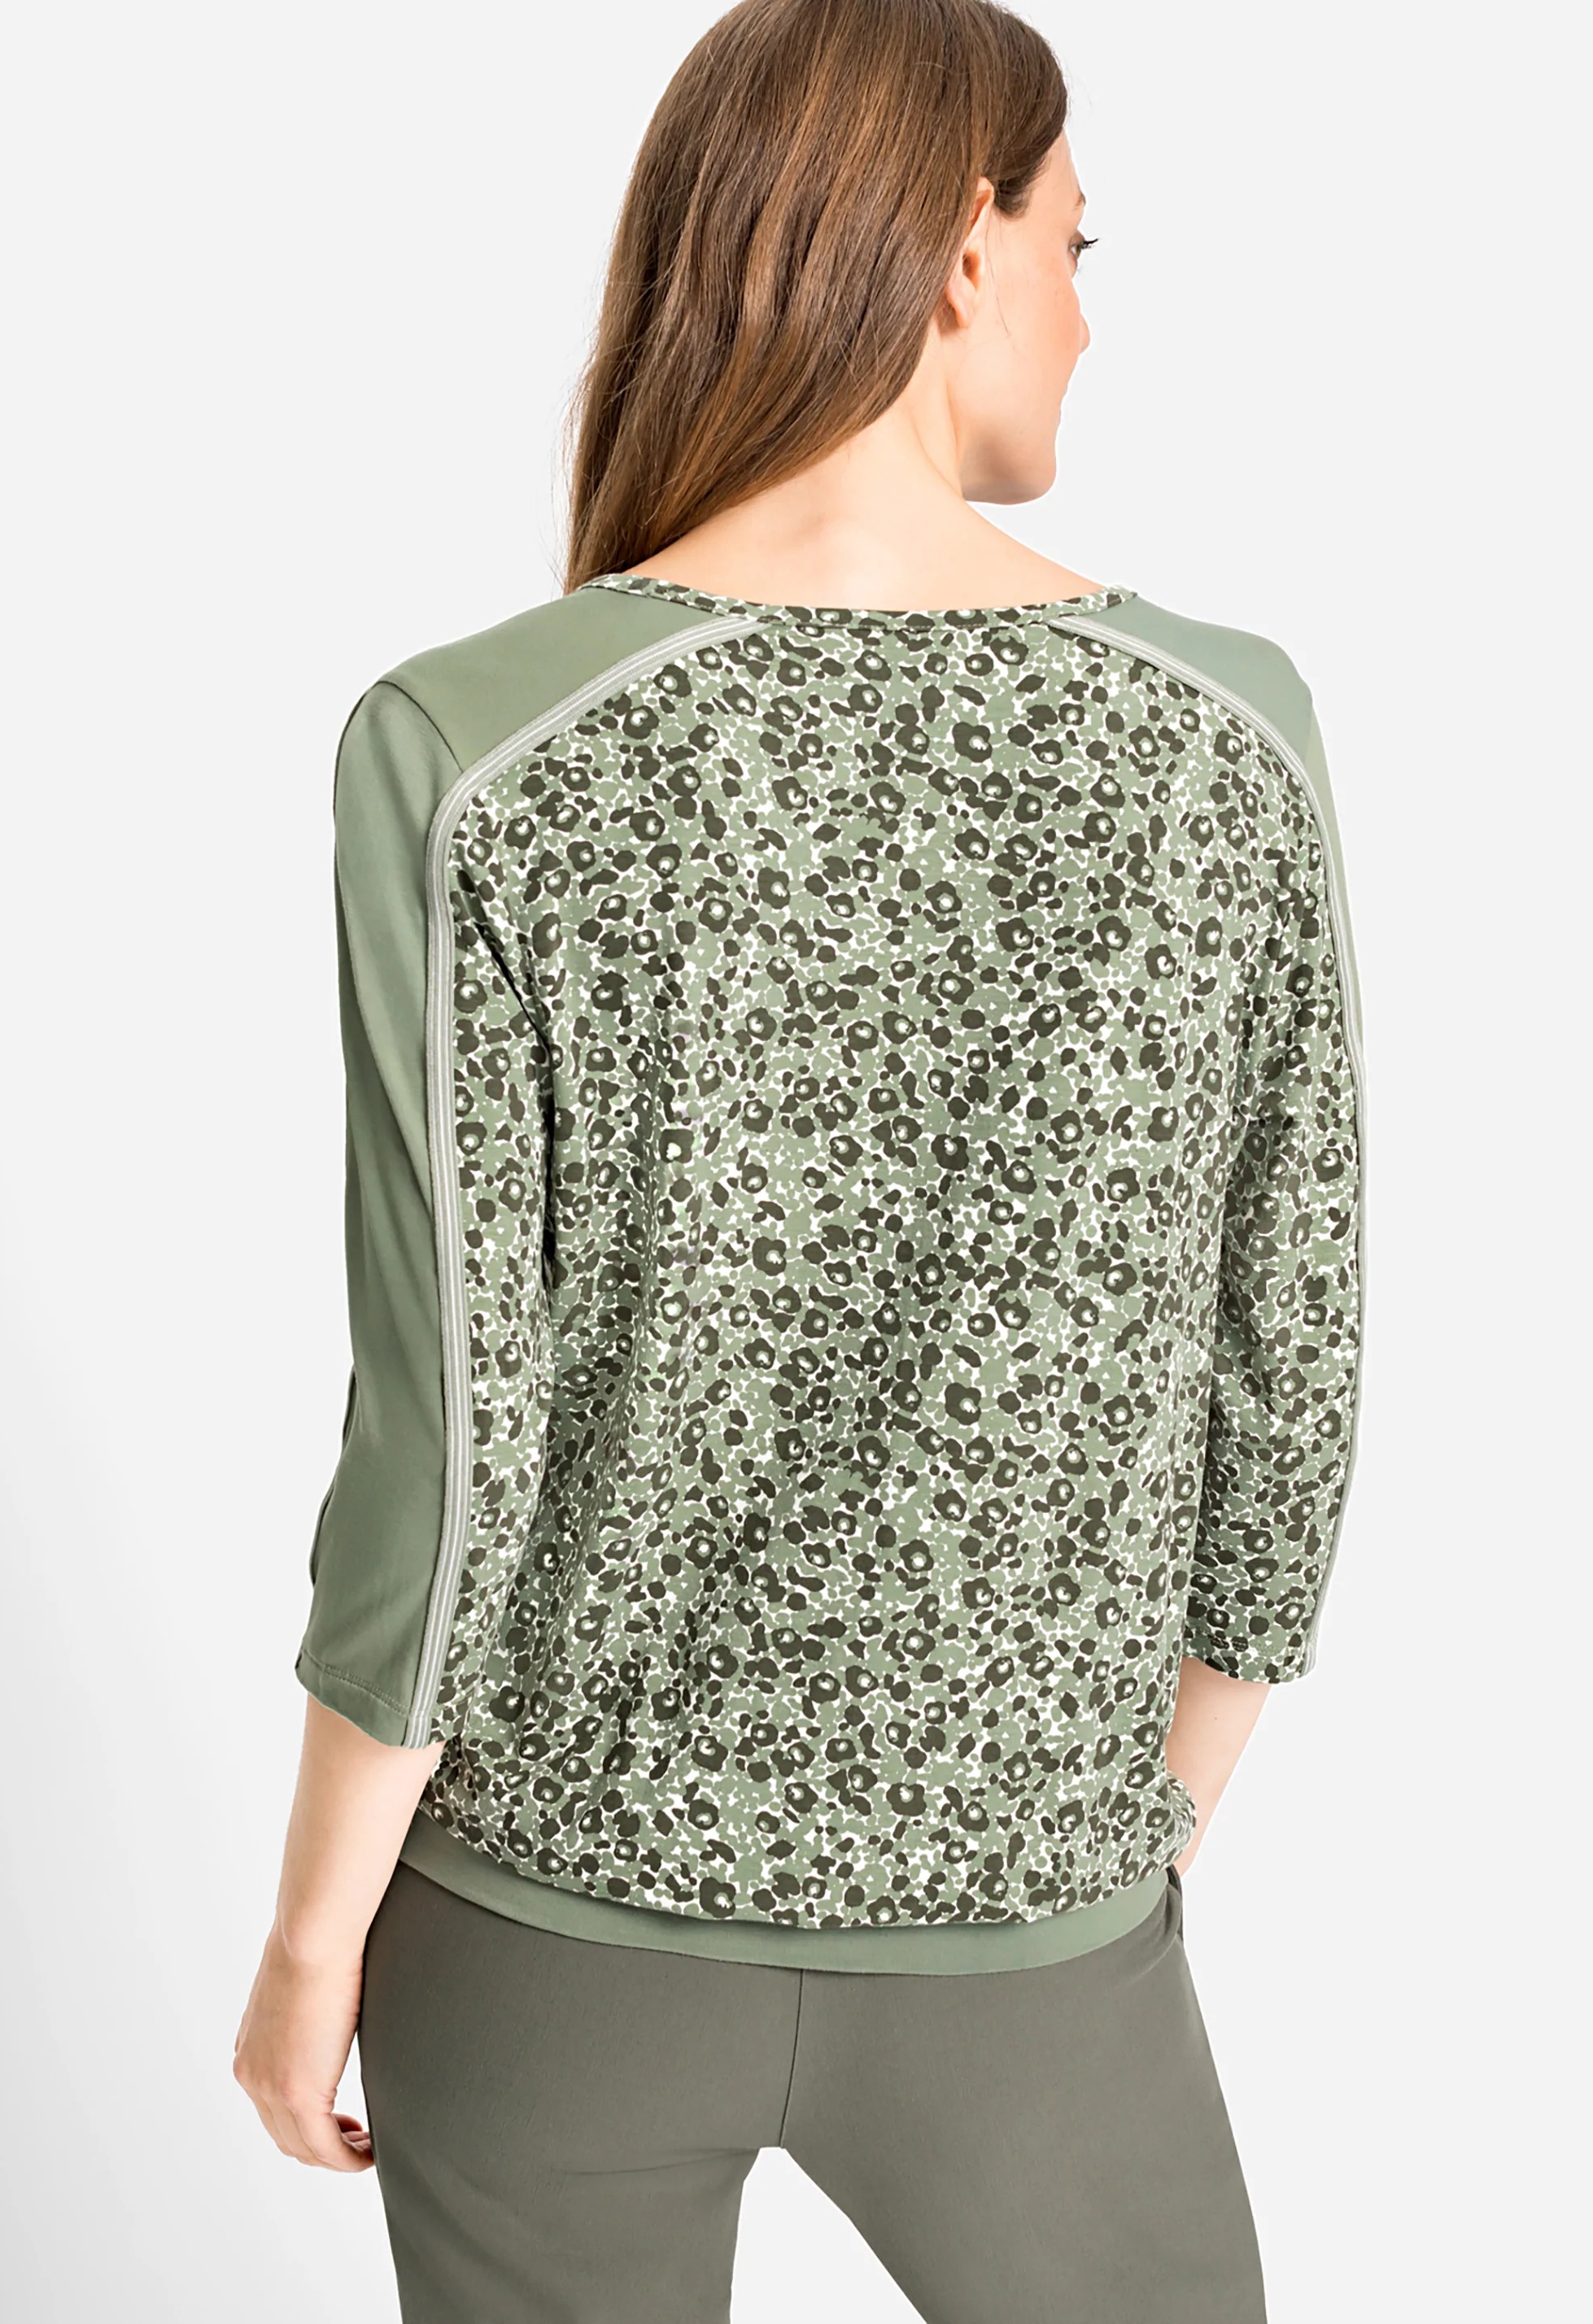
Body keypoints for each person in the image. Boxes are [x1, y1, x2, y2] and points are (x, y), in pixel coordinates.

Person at [233, 2, 1366, 2317]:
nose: (1090, 313)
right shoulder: (1226, 740)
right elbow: (1293, 1378)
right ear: (964, 248)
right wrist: (1120, 1831)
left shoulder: (477, 745)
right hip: (1034, 1937)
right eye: (1078, 242)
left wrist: (311, 1932)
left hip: (542, 1938)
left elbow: (448, 1439)